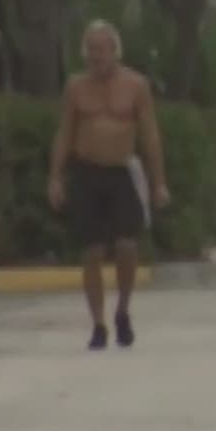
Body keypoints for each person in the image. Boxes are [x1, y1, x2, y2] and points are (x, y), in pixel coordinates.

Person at [48, 19, 170, 350]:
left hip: (122, 172)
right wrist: (56, 177)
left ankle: (123, 310)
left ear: (115, 50)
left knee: (128, 246)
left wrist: (159, 183)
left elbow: (150, 135)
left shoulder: (136, 85)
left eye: (102, 49)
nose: (96, 56)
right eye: (91, 49)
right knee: (91, 252)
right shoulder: (76, 87)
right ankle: (98, 324)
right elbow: (64, 133)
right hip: (87, 173)